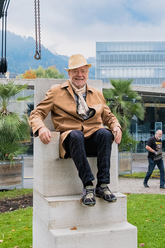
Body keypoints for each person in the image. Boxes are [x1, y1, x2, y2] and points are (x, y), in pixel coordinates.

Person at [29, 54, 122, 207]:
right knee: (76, 135)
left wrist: (116, 126)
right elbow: (36, 114)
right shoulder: (56, 91)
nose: (80, 75)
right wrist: (41, 127)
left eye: (83, 71)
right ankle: (88, 186)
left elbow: (108, 116)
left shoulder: (97, 94)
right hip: (71, 140)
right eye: (76, 71)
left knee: (105, 133)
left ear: (87, 73)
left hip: (92, 138)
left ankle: (103, 185)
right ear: (69, 73)